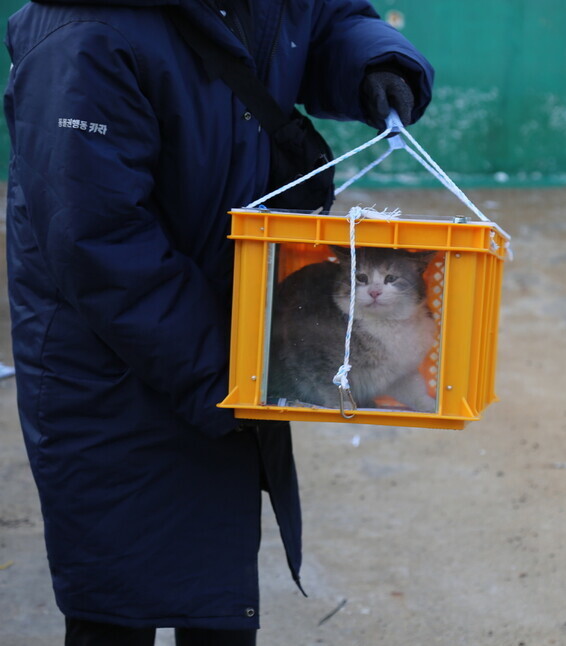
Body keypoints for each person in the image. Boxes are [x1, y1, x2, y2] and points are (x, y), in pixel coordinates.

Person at [3, 0, 433, 643]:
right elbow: (96, 242)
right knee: (119, 600)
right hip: (112, 361)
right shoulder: (83, 36)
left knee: (217, 596)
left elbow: (319, 21)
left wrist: (373, 59)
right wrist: (229, 368)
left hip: (216, 327)